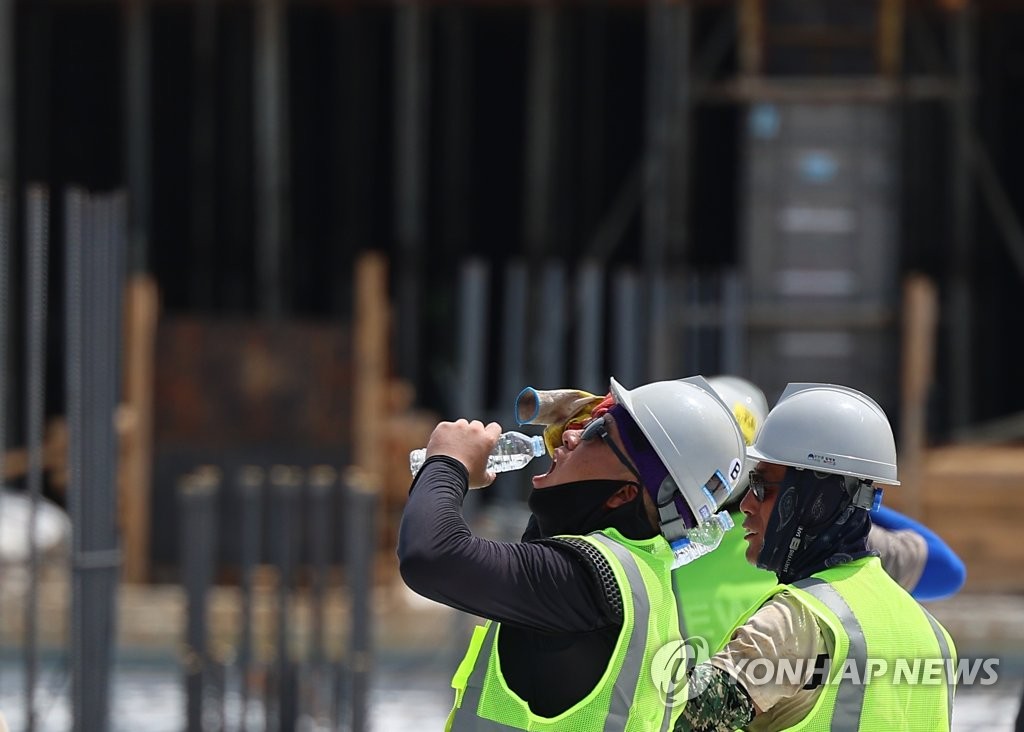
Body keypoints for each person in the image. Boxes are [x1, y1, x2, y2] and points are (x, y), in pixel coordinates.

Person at [398, 377, 747, 730]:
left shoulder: (588, 578)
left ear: (623, 495)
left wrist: (447, 462)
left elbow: (432, 555)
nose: (570, 435)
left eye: (598, 432)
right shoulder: (641, 575)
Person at [518, 376, 966, 651]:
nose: (750, 503)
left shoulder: (648, 537)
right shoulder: (814, 542)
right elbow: (947, 571)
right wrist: (853, 502)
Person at [680, 383, 957, 731]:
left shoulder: (795, 621)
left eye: (762, 488)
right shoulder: (933, 635)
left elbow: (684, 721)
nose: (747, 504)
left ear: (815, 500)